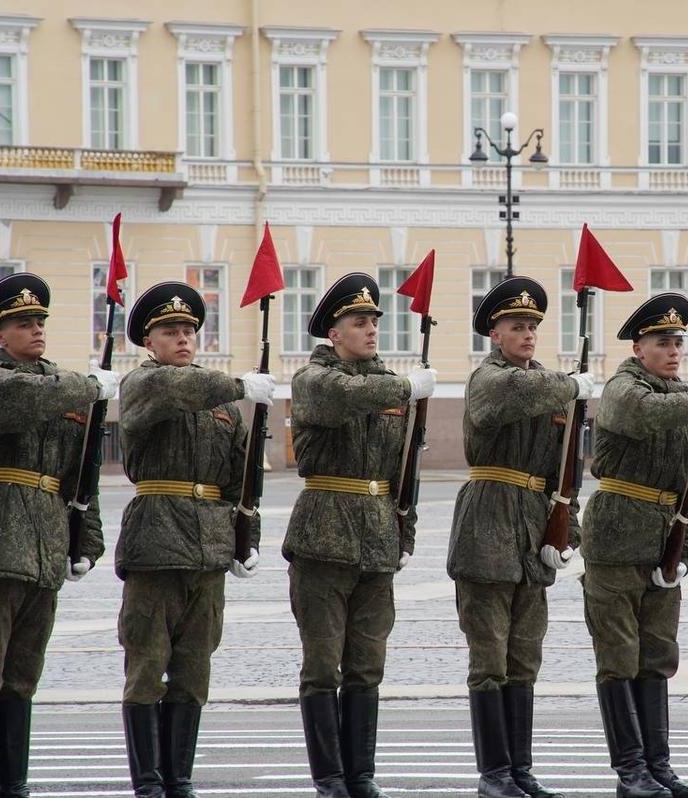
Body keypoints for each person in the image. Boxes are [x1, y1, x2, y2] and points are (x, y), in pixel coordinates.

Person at [0, 273, 117, 798]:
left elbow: (81, 475)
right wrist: (92, 385)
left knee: (24, 672)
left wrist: (85, 541)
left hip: (45, 541)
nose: (37, 329)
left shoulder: (60, 383)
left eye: (40, 321)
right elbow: (26, 398)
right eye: (24, 323)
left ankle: (13, 782)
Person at [116, 281, 275, 798]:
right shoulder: (143, 384)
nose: (183, 338)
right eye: (170, 331)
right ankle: (148, 781)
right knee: (147, 666)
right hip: (156, 543)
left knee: (193, 669)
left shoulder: (221, 403)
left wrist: (247, 538)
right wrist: (239, 384)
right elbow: (175, 390)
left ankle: (178, 779)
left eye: (188, 330)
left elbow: (242, 479)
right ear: (149, 341)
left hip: (208, 549)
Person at [286, 273, 437, 798]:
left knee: (367, 666)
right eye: (359, 322)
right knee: (322, 665)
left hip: (377, 541)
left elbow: (403, 473)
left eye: (374, 321)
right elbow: (345, 396)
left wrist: (404, 533)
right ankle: (329, 777)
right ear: (334, 334)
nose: (371, 329)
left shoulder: (390, 384)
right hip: (323, 536)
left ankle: (360, 775)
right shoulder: (314, 379)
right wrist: (408, 387)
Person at [581, 293, 688, 798]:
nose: (672, 351)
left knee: (657, 656)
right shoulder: (623, 388)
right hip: (617, 538)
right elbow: (641, 413)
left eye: (677, 343)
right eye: (662, 342)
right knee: (618, 656)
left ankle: (658, 766)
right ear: (638, 347)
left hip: (665, 541)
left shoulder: (687, 403)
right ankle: (631, 771)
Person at [448, 275, 594, 798]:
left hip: (533, 529)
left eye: (533, 326)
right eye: (517, 326)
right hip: (488, 523)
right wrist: (572, 385)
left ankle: (520, 770)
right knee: (489, 659)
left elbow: (565, 473)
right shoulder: (487, 378)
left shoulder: (553, 386)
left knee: (524, 658)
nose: (528, 334)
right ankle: (494, 773)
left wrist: (570, 532)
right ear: (495, 334)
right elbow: (506, 398)